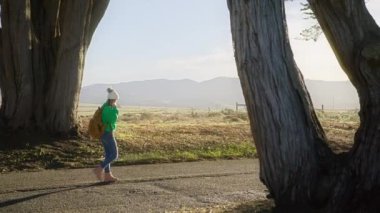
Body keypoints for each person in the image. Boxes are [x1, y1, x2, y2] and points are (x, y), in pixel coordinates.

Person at [93, 88, 120, 182]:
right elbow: (112, 121)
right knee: (114, 155)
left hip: (102, 133)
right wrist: (116, 110)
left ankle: (108, 176)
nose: (116, 101)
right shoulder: (111, 109)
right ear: (114, 100)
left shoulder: (104, 106)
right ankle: (99, 168)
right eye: (116, 99)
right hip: (108, 133)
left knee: (108, 154)